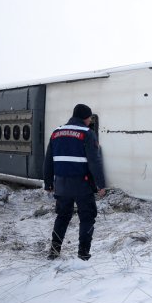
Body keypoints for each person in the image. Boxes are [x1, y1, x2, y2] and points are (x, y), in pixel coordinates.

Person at [44, 103, 106, 260]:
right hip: (82, 184)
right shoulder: (87, 133)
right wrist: (100, 184)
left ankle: (54, 251)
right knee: (87, 217)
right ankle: (83, 253)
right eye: (89, 118)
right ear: (85, 118)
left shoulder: (56, 132)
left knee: (62, 216)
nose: (89, 121)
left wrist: (48, 182)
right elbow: (94, 162)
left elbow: (48, 161)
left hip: (61, 184)